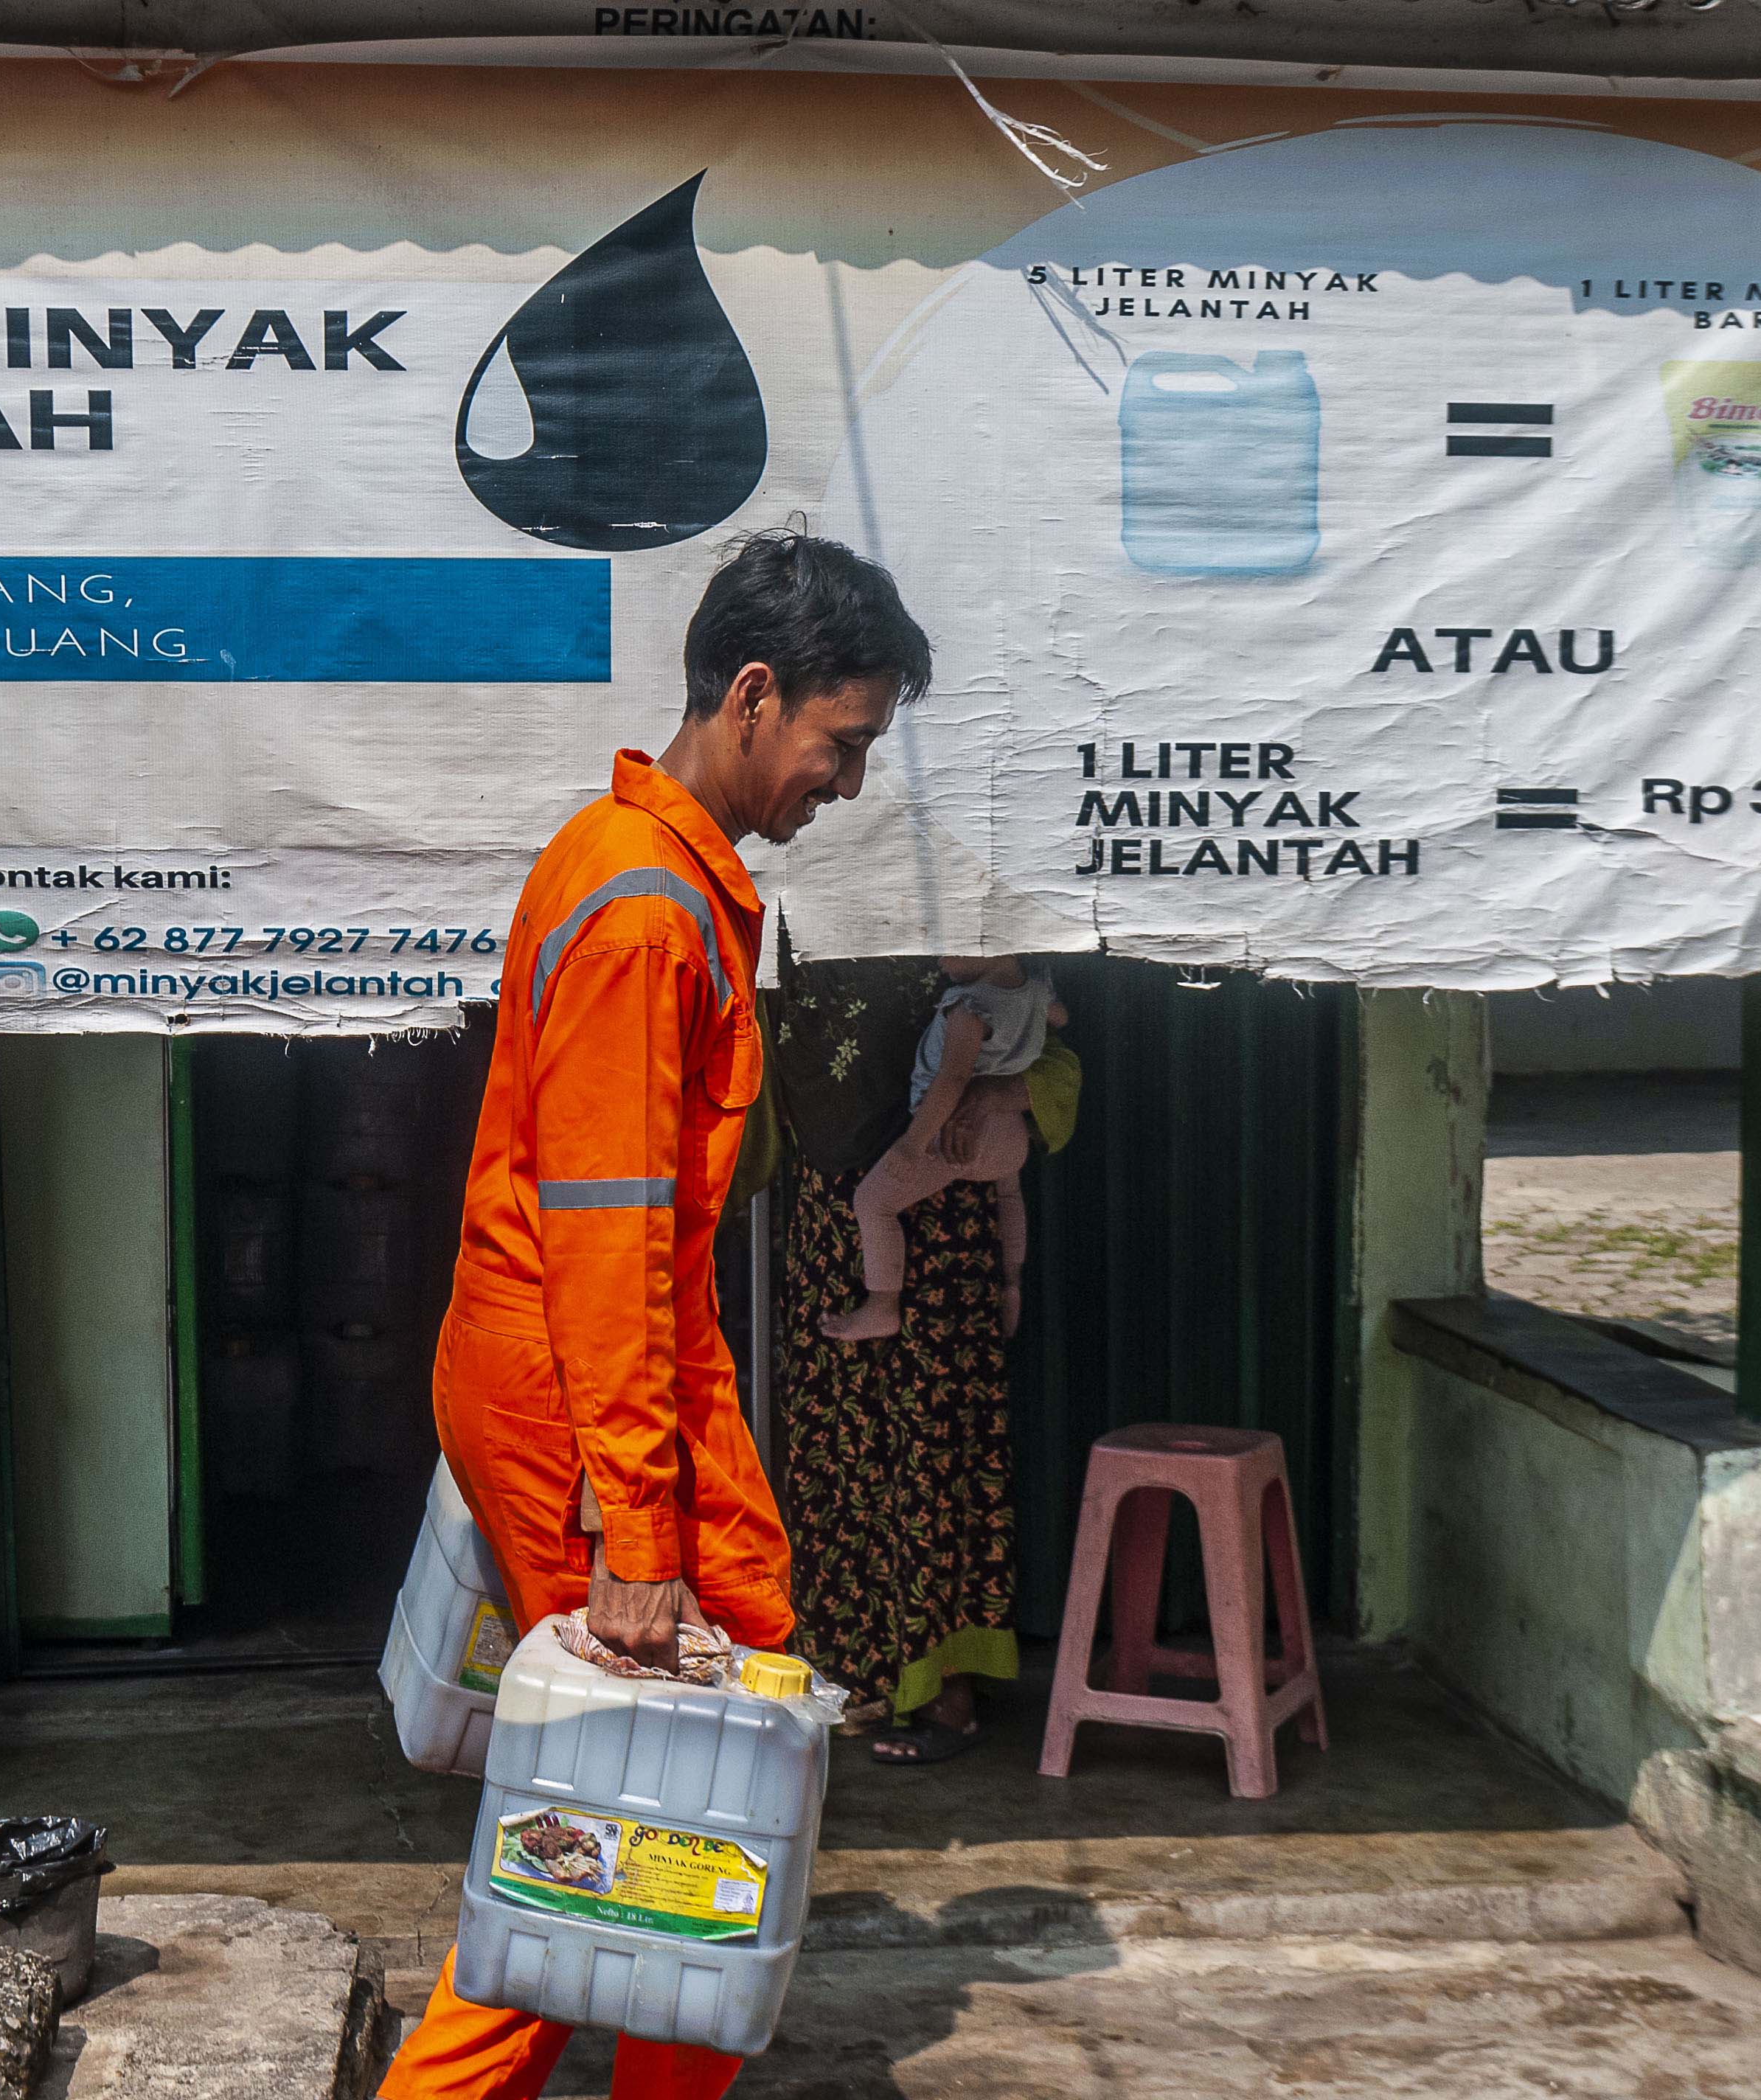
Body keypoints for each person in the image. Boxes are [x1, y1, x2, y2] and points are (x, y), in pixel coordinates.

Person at [382, 531, 931, 2100]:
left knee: (664, 1782)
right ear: (752, 698)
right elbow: (608, 1242)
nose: (845, 780)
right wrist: (634, 1530)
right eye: (841, 740)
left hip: (582, 1373)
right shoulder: (639, 912)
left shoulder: (644, 868)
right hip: (581, 1389)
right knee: (630, 1803)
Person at [817, 957, 1061, 1345]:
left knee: (873, 1201)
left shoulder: (970, 1008)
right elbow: (1060, 1018)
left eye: (948, 947)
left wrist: (910, 1145)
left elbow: (952, 1080)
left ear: (985, 945)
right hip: (1010, 1134)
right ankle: (1012, 1280)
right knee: (1009, 1194)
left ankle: (882, 1307)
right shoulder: (1037, 988)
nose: (940, 961)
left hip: (954, 1136)